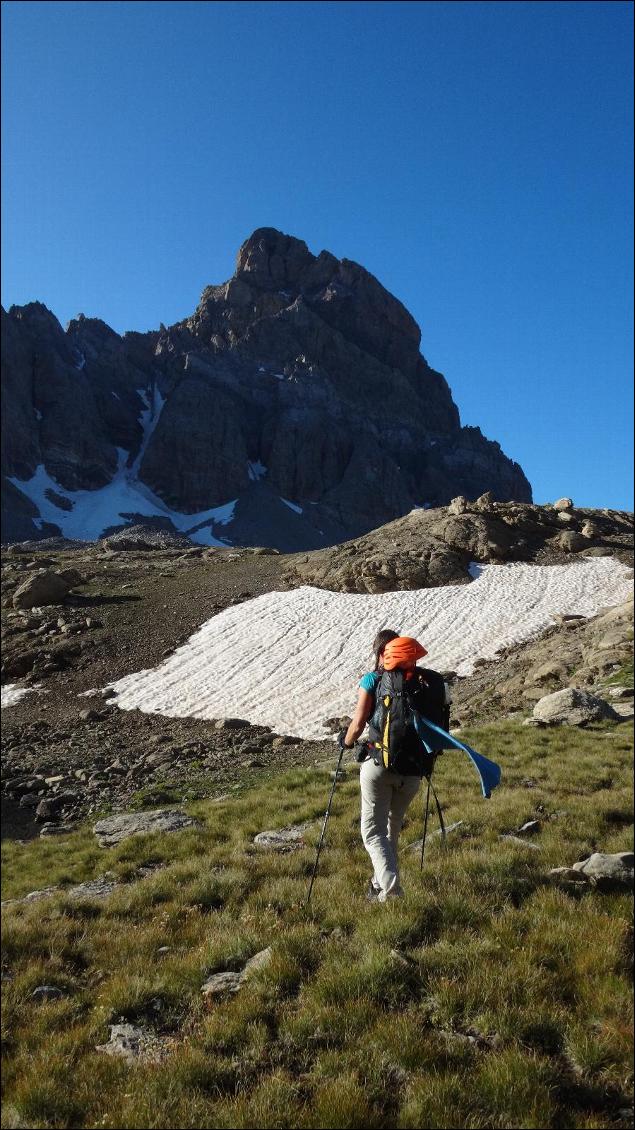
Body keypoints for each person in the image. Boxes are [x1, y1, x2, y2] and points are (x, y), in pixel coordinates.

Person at [340, 628, 427, 902]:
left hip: (380, 765)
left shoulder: (372, 679)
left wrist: (346, 742)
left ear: (381, 653)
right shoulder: (421, 681)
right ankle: (379, 883)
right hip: (413, 770)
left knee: (372, 832)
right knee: (392, 828)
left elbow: (357, 723)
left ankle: (391, 893)